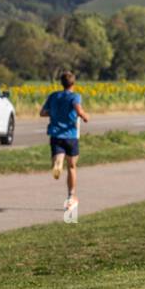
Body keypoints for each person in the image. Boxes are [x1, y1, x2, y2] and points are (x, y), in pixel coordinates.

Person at [40, 71, 90, 210]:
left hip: (56, 135)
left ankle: (57, 164)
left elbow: (42, 113)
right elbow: (78, 109)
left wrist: (55, 113)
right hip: (71, 135)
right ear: (73, 83)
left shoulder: (54, 96)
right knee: (72, 167)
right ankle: (70, 196)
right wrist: (85, 116)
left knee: (58, 158)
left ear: (61, 83)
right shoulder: (75, 97)